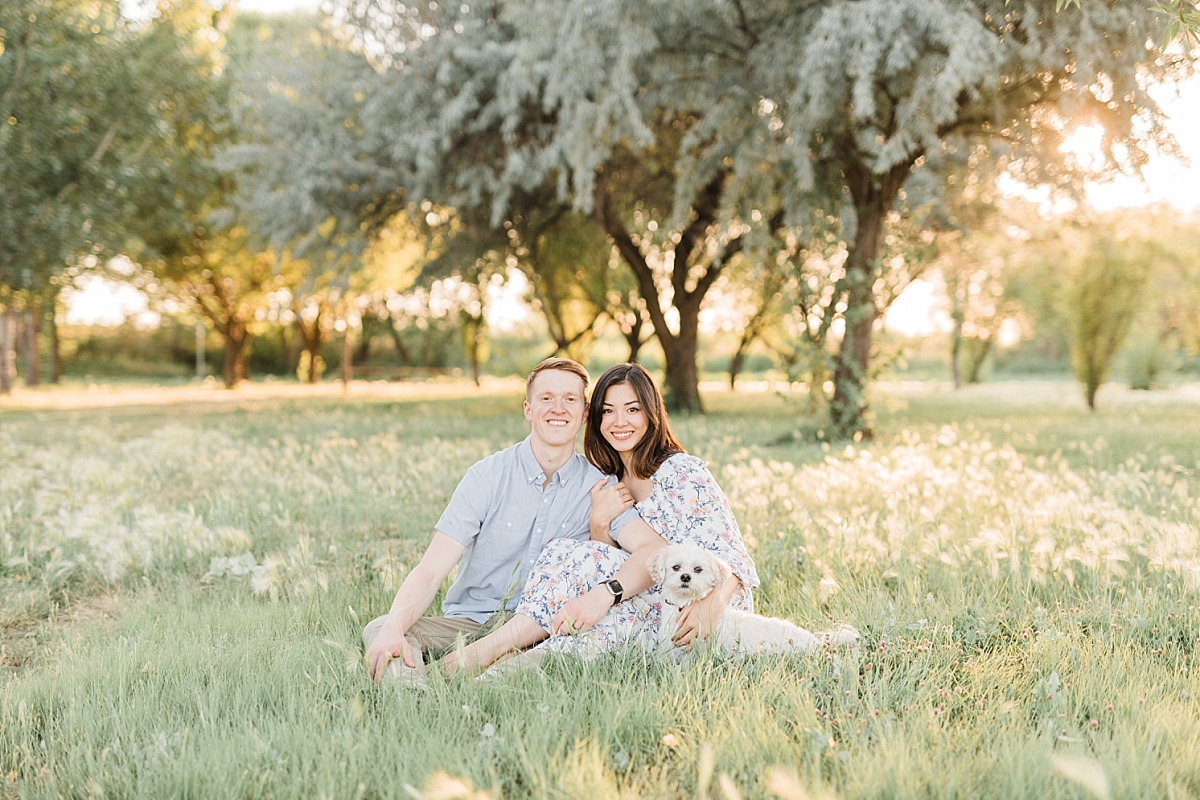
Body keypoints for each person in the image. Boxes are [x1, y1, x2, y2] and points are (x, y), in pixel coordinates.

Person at [441, 362, 759, 675]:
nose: (619, 421)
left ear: (652, 413)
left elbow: (735, 558)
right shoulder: (609, 480)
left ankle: (483, 652)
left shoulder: (683, 473)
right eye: (608, 411)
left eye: (632, 409)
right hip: (649, 603)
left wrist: (711, 604)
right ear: (595, 418)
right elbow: (611, 563)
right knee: (569, 643)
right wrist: (599, 524)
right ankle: (490, 674)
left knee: (563, 553)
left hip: (704, 604)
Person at [362, 357, 634, 684]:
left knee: (538, 666)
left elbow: (643, 553)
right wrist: (394, 629)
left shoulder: (600, 487)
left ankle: (464, 682)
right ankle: (414, 699)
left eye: (570, 399)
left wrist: (602, 540)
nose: (558, 408)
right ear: (528, 409)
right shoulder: (487, 476)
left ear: (585, 413)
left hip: (540, 632)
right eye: (546, 398)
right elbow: (431, 570)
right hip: (470, 623)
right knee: (381, 628)